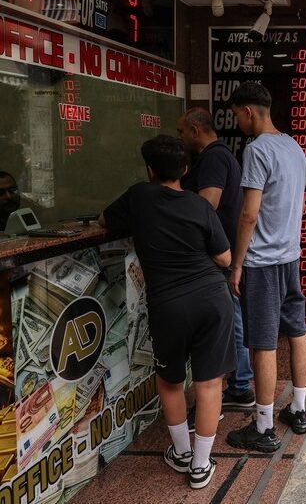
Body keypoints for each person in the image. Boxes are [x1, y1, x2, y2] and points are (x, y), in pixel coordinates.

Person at [100, 135, 235, 489]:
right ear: (186, 170)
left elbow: (105, 221)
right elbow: (225, 258)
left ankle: (181, 453)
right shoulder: (199, 205)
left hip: (169, 305)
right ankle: (201, 466)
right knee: (209, 382)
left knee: (171, 379)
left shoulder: (139, 197)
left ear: (149, 170)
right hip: (212, 298)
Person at [225, 82, 306, 453]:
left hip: (262, 261)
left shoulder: (257, 150)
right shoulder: (294, 147)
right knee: (296, 331)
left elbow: (249, 213)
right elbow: (298, 203)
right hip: (291, 255)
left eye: (236, 116)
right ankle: (299, 410)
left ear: (248, 111)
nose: (238, 123)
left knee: (262, 342)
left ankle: (263, 428)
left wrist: (237, 265)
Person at [176, 108, 253, 416]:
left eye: (182, 131)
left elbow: (208, 203)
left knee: (231, 317)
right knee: (231, 316)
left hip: (217, 252)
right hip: (220, 249)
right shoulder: (217, 156)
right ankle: (240, 383)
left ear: (196, 130)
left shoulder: (213, 158)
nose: (180, 137)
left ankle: (240, 386)